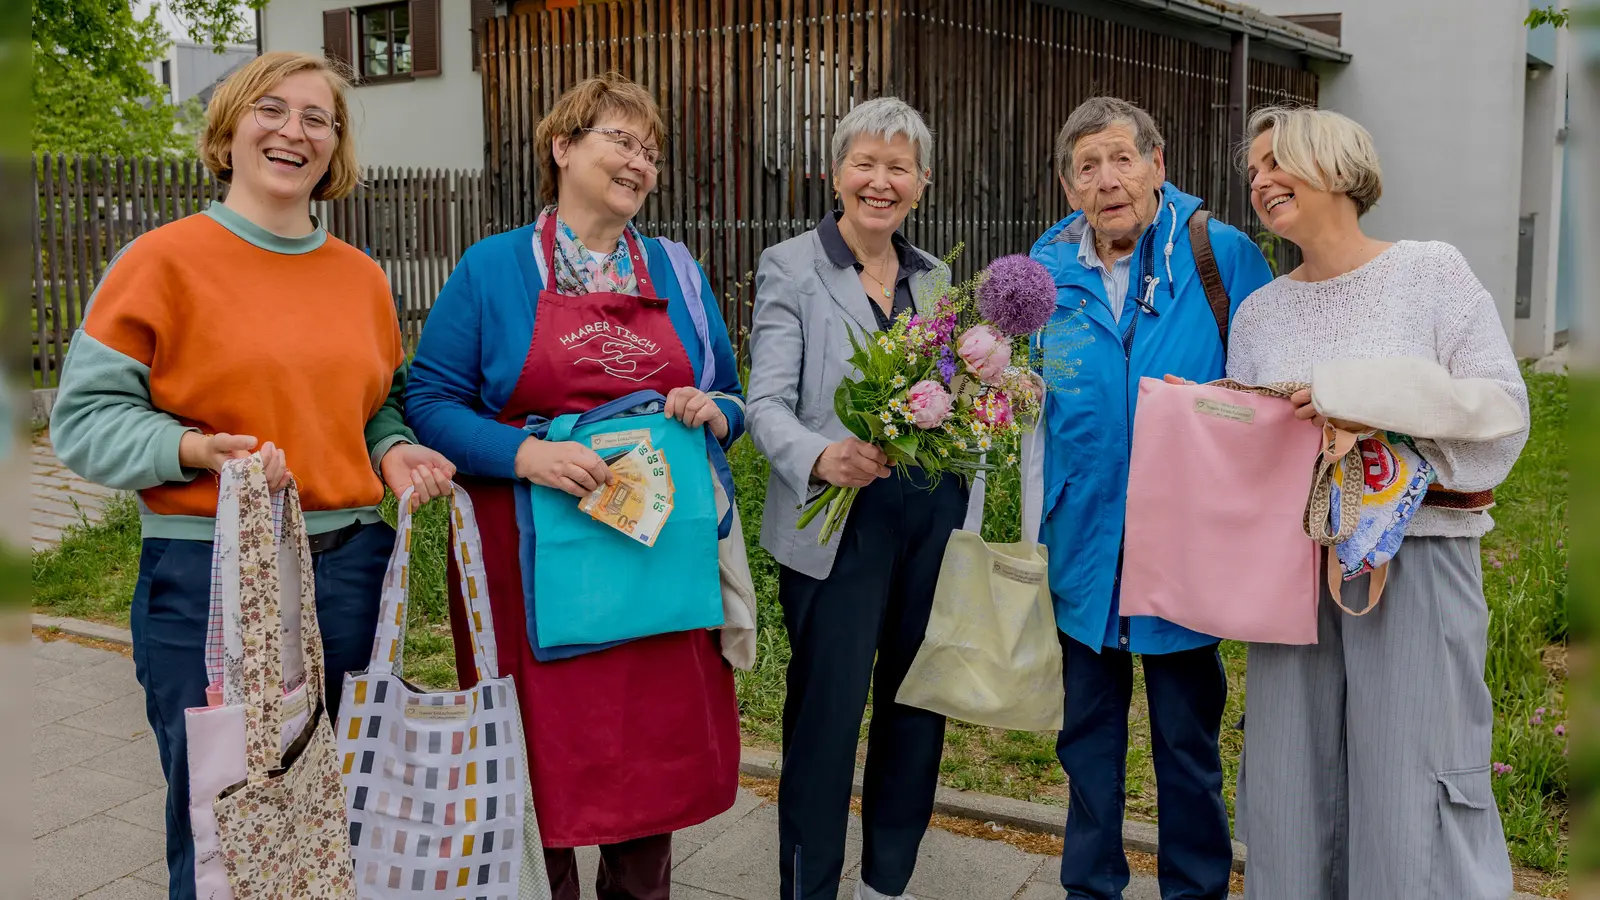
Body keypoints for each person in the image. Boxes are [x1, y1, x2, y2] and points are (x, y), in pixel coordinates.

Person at [48, 51, 454, 900]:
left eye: (317, 118)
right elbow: (84, 421)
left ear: (334, 147)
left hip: (352, 569)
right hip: (212, 574)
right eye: (271, 109)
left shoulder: (362, 278)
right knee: (225, 821)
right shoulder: (159, 262)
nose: (293, 130)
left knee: (345, 804)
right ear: (228, 128)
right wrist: (192, 450)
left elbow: (376, 404)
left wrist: (392, 449)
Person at [404, 72, 744, 900]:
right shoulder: (492, 269)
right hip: (522, 562)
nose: (640, 162)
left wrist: (714, 411)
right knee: (532, 761)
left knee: (649, 765)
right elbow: (430, 400)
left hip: (655, 562)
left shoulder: (677, 271)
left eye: (650, 151)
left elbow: (732, 395)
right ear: (561, 147)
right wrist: (525, 456)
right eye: (620, 140)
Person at [1229, 105, 1526, 899]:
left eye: (1276, 161)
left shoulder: (1430, 273)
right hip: (1294, 569)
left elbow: (1502, 409)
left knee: (1413, 776)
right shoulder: (1260, 312)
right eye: (1253, 171)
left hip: (1417, 559)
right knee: (1292, 779)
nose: (1260, 180)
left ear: (1335, 165)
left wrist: (1356, 396)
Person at [1028, 96, 1274, 899]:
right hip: (1084, 547)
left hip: (1186, 551)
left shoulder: (1220, 254)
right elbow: (1027, 393)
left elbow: (1273, 389)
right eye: (1087, 167)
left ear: (1157, 165)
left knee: (1187, 746)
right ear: (1068, 186)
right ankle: (1089, 888)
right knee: (1086, 744)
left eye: (1121, 159)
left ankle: (1195, 890)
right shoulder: (1044, 268)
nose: (1107, 181)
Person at [746, 96, 962, 900]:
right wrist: (821, 455)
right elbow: (766, 403)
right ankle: (810, 886)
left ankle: (886, 882)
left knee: (917, 710)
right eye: (865, 163)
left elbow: (952, 397)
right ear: (837, 173)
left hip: (930, 520)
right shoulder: (791, 266)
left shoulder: (935, 278)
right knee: (826, 721)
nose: (881, 181)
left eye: (898, 167)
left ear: (922, 182)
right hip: (836, 526)